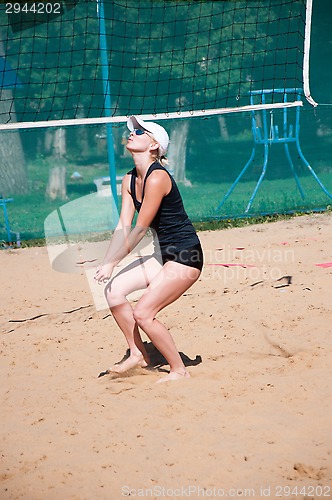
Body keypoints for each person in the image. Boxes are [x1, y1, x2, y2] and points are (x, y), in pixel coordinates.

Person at [94, 116, 203, 382]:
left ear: (154, 145)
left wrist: (113, 263)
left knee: (143, 313)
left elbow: (140, 229)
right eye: (133, 130)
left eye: (140, 132)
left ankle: (179, 370)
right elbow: (122, 226)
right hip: (162, 254)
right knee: (113, 291)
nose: (132, 133)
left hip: (186, 257)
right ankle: (138, 353)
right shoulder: (129, 179)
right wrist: (108, 260)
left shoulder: (157, 178)